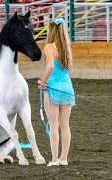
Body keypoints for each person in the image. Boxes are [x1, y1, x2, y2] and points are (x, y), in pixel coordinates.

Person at [37, 18, 75, 166]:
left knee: (53, 126)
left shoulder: (49, 47)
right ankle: (63, 158)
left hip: (53, 89)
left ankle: (54, 159)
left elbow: (50, 67)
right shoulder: (66, 47)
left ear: (51, 31)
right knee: (65, 125)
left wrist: (42, 81)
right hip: (67, 89)